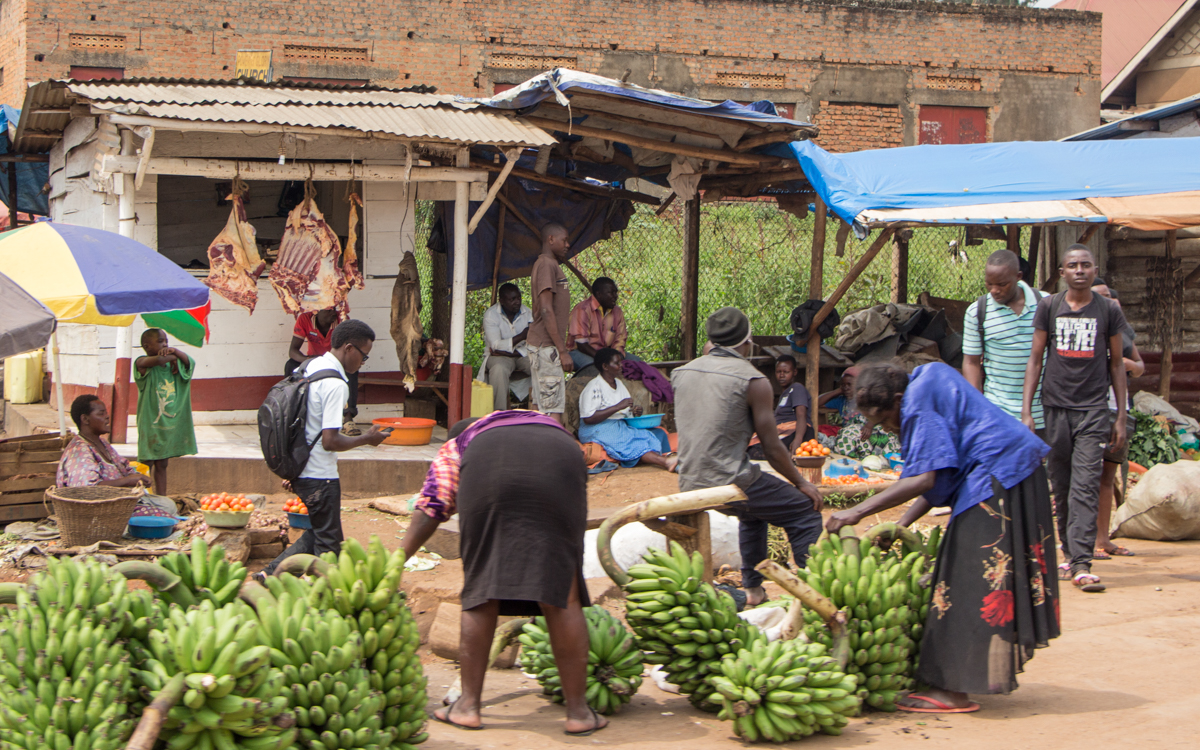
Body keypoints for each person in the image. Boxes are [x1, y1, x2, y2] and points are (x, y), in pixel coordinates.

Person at [826, 362, 1059, 714]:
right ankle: (959, 680)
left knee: (960, 582)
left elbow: (924, 480)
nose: (888, 427)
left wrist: (856, 512)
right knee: (971, 578)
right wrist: (902, 524)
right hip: (1013, 473)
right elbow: (939, 471)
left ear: (899, 399)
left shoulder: (917, 402)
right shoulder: (928, 377)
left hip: (997, 476)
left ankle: (952, 691)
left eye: (887, 419)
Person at [401, 411, 605, 736]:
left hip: (491, 466)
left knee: (482, 589)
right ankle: (579, 712)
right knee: (562, 591)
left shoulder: (460, 442)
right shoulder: (533, 420)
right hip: (564, 454)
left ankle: (467, 707)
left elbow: (433, 504)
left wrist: (398, 558)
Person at [672, 307, 824, 607]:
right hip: (729, 481)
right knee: (804, 512)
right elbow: (772, 448)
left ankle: (753, 590)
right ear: (747, 342)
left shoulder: (681, 372)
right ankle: (812, 594)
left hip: (688, 479)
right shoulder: (754, 381)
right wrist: (802, 484)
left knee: (754, 512)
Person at [1021, 245, 1128, 593]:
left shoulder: (1108, 310)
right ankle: (1069, 553)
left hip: (1094, 411)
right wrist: (1027, 410)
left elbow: (1116, 364)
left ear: (1094, 269)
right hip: (1054, 409)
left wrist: (1121, 417)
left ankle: (1082, 563)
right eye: (1072, 265)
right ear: (1062, 272)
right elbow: (1036, 359)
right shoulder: (1049, 306)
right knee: (1062, 484)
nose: (1079, 270)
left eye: (1085, 265)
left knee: (1085, 484)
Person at [262, 320, 390, 577]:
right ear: (349, 348)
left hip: (301, 468)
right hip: (320, 477)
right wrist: (367, 439)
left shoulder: (311, 365)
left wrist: (296, 469)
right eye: (364, 357)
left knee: (321, 532)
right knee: (329, 548)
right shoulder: (335, 384)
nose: (362, 363)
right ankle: (318, 600)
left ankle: (270, 574)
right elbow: (330, 441)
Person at [57, 394, 177, 520]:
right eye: (101, 414)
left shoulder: (102, 443)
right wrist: (127, 481)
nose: (107, 417)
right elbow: (88, 491)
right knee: (161, 517)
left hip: (120, 502)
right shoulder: (79, 451)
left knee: (169, 505)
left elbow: (123, 466)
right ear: (85, 419)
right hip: (98, 511)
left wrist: (136, 478)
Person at [962, 249, 1045, 430]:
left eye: (1002, 284)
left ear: (1018, 277)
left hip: (1043, 414)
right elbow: (971, 362)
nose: (994, 290)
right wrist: (978, 409)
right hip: (997, 414)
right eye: (988, 284)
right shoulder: (977, 312)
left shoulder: (1046, 304)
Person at [1091, 280, 1143, 559]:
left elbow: (1139, 366)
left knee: (1107, 478)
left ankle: (1103, 538)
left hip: (1118, 410)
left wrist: (1126, 365)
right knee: (1086, 477)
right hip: (1091, 411)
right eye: (1100, 297)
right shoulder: (1083, 331)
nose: (1107, 302)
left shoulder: (1122, 332)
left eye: (1109, 297)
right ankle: (1082, 540)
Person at [578, 348, 676, 471]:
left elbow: (625, 411)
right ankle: (666, 462)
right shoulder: (593, 387)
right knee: (634, 444)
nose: (621, 366)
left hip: (617, 426)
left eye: (620, 362)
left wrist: (633, 412)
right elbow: (588, 418)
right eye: (616, 363)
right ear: (605, 366)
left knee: (647, 436)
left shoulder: (619, 384)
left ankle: (666, 458)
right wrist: (618, 406)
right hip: (595, 429)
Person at [134, 328, 197, 496]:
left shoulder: (174, 366)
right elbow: (148, 362)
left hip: (167, 424)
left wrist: (175, 353)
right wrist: (173, 357)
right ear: (147, 346)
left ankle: (161, 499)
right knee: (146, 463)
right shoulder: (142, 363)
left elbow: (190, 362)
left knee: (162, 464)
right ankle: (143, 499)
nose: (166, 345)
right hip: (150, 424)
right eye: (161, 342)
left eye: (167, 342)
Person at [286, 307, 360, 436]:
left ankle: (348, 418)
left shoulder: (342, 320)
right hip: (313, 359)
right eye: (328, 310)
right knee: (290, 365)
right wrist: (307, 361)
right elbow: (293, 351)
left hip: (335, 361)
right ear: (316, 311)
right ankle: (292, 413)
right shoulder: (305, 319)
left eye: (334, 309)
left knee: (351, 371)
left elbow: (347, 350)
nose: (333, 313)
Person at [527, 223, 574, 423]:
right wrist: (562, 351)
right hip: (547, 347)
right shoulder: (547, 264)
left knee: (540, 403)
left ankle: (537, 448)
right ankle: (552, 446)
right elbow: (546, 309)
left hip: (541, 345)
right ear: (551, 239)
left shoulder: (548, 264)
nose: (568, 245)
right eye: (564, 240)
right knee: (553, 405)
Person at [817, 366, 902, 459]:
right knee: (846, 437)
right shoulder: (841, 400)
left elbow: (880, 412)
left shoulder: (869, 397)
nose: (846, 388)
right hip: (855, 435)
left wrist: (870, 424)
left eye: (850, 384)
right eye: (843, 385)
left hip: (871, 431)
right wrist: (838, 390)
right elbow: (817, 402)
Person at [748, 354, 813, 459]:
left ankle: (784, 458)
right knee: (751, 449)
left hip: (796, 431)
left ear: (794, 372)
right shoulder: (784, 394)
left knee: (756, 451)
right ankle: (782, 456)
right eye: (779, 372)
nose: (782, 375)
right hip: (783, 430)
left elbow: (801, 415)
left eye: (786, 372)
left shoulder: (797, 388)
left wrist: (797, 440)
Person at [481, 283, 532, 411]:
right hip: (499, 358)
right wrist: (522, 336)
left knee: (540, 363)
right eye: (512, 299)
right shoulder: (491, 315)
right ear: (502, 301)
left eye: (519, 298)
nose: (517, 302)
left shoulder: (528, 313)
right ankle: (500, 413)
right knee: (498, 369)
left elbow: (534, 342)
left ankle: (542, 409)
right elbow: (495, 345)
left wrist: (512, 353)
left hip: (521, 354)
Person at [567, 276, 630, 373]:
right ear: (599, 294)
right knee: (597, 369)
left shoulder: (617, 312)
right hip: (580, 352)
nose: (615, 296)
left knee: (637, 365)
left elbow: (620, 339)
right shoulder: (582, 310)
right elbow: (582, 345)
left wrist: (617, 357)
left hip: (608, 355)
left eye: (615, 292)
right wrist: (604, 359)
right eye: (611, 293)